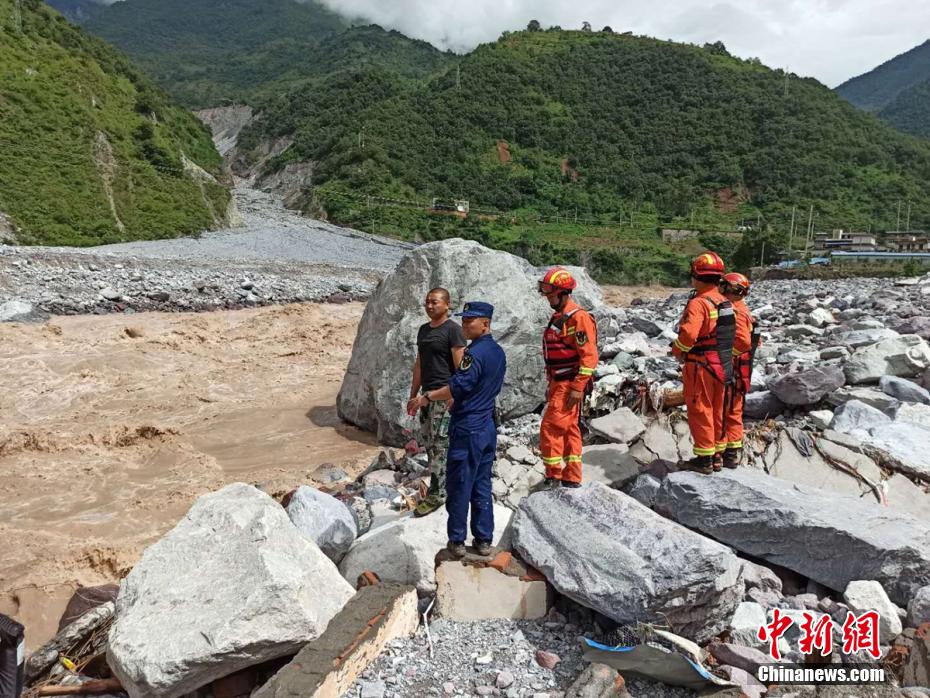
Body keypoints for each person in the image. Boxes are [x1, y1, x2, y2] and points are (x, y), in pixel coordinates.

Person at [412, 301, 506, 558]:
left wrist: (427, 397)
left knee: (459, 485)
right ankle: (484, 540)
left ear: (485, 324)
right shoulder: (498, 352)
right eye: (463, 320)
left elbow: (457, 387)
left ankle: (456, 540)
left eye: (470, 321)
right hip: (487, 426)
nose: (465, 325)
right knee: (482, 484)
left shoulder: (474, 354)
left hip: (468, 427)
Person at [671, 252, 736, 474]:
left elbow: (689, 335)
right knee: (718, 410)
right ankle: (717, 455)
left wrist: (678, 350)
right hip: (723, 364)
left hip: (701, 366)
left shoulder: (699, 303)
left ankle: (704, 459)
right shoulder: (725, 301)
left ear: (696, 276)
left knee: (700, 409)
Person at [406, 288, 467, 516]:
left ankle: (439, 494)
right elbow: (420, 364)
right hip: (426, 395)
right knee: (430, 443)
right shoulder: (423, 331)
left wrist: (454, 396)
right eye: (427, 303)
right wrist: (413, 395)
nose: (430, 306)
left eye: (435, 302)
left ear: (447, 305)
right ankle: (441, 484)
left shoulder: (453, 331)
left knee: (442, 444)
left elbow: (461, 368)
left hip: (445, 395)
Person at [537, 267, 598, 489]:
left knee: (551, 428)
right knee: (570, 428)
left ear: (564, 293)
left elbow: (589, 356)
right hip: (558, 382)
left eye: (551, 294)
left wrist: (578, 387)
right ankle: (572, 476)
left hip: (568, 384)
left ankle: (553, 475)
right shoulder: (559, 317)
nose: (548, 298)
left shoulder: (578, 319)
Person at [719, 272, 758, 469]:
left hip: (734, 368)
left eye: (724, 286)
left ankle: (723, 452)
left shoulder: (737, 311)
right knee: (733, 410)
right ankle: (731, 453)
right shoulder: (741, 309)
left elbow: (742, 342)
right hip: (740, 369)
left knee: (726, 409)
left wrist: (724, 356)